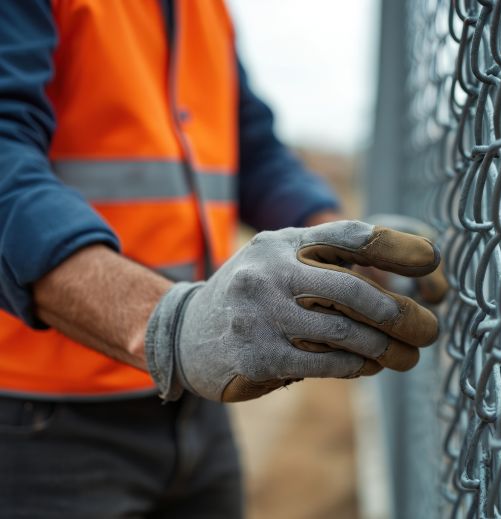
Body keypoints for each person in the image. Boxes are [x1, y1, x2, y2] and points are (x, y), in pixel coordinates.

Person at [0, 1, 441, 517]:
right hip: (40, 414)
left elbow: (253, 149)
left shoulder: (202, 9)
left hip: (196, 398)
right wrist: (162, 323)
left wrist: (343, 240)